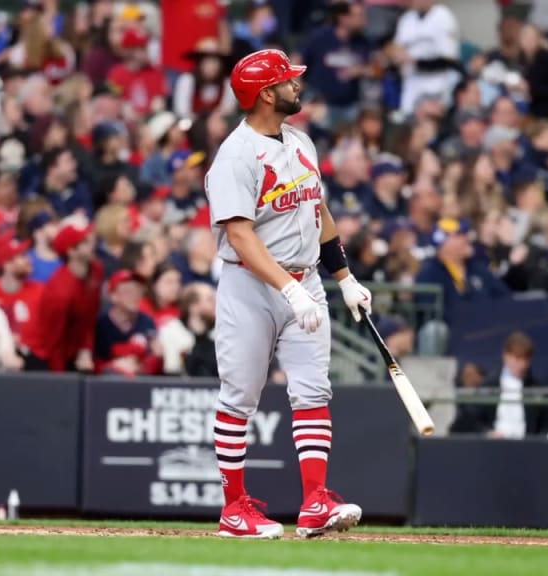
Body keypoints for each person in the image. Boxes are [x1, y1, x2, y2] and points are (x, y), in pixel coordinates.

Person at [205, 49, 372, 539]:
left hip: (307, 279)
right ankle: (234, 509)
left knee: (313, 390)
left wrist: (344, 278)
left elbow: (316, 211)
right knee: (239, 397)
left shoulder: (299, 141)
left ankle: (316, 502)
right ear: (264, 94)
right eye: (286, 81)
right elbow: (239, 235)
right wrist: (287, 290)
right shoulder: (235, 155)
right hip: (249, 284)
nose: (296, 86)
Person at [22, 224, 103, 372]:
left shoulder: (96, 270)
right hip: (47, 356)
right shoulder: (59, 291)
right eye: (84, 242)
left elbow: (90, 317)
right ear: (71, 251)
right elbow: (53, 342)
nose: (92, 244)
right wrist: (62, 380)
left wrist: (86, 349)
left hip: (77, 350)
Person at [93, 270, 162, 376]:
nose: (135, 296)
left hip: (140, 382)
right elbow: (92, 363)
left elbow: (155, 360)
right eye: (128, 292)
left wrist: (152, 360)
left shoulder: (147, 322)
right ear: (114, 296)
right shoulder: (100, 324)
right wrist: (113, 366)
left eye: (138, 291)